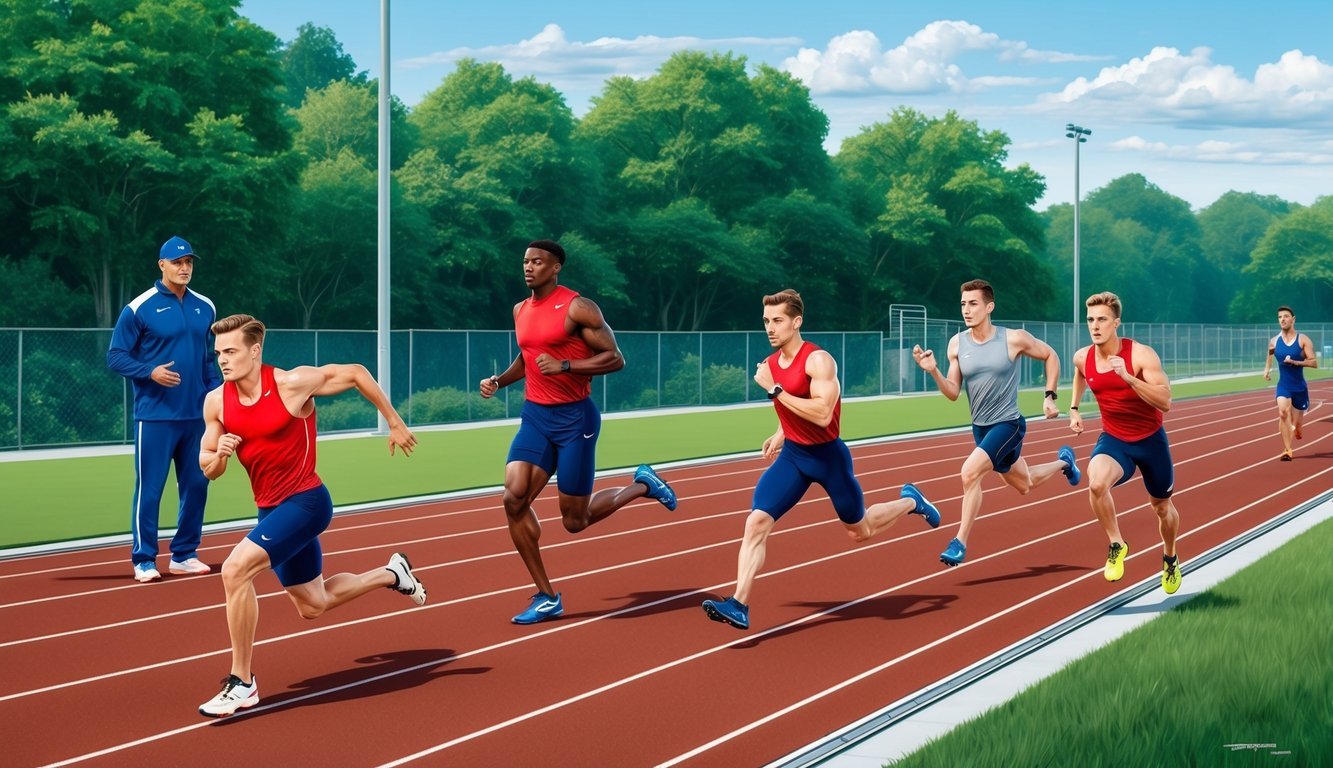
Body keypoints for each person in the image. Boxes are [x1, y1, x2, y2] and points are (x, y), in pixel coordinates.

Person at [196, 314, 427, 717]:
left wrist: (393, 421)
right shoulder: (217, 401)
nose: (223, 360)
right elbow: (207, 468)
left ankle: (242, 682)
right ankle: (392, 574)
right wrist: (221, 455)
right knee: (313, 604)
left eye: (231, 351)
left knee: (234, 570)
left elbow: (355, 373)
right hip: (270, 510)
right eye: (218, 353)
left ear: (255, 350)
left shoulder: (291, 383)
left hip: (306, 501)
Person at [701, 289, 941, 631]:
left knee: (861, 532)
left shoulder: (819, 360)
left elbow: (823, 413)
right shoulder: (771, 365)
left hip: (828, 458)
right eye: (766, 321)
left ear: (797, 322)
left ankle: (910, 501)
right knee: (755, 522)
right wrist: (781, 432)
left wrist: (775, 392)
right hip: (794, 457)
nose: (770, 328)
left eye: (778, 321)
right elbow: (794, 406)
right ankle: (739, 604)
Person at [480, 239, 677, 625]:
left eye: (538, 262)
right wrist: (500, 381)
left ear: (555, 268)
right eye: (525, 261)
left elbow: (615, 359)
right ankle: (546, 595)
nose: (529, 267)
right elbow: (528, 354)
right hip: (535, 418)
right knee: (513, 498)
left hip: (575, 421)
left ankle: (643, 485)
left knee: (575, 521)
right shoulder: (520, 309)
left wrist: (567, 366)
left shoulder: (578, 307)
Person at [911, 279, 1080, 567]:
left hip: (1009, 424)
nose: (967, 309)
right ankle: (1065, 463)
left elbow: (1050, 355)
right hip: (981, 428)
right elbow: (953, 391)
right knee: (1025, 484)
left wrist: (1049, 396)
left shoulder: (1012, 338)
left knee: (970, 472)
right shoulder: (957, 344)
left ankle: (959, 541)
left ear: (989, 306)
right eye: (963, 304)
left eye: (973, 303)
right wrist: (934, 371)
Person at [107, 236, 220, 582]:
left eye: (189, 262)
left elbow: (208, 361)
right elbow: (115, 356)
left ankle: (184, 553)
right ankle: (144, 559)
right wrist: (149, 372)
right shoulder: (139, 307)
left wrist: (220, 401)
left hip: (197, 417)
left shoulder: (206, 307)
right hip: (155, 417)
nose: (184, 268)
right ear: (162, 265)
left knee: (197, 486)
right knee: (150, 488)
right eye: (177, 262)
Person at [1069, 291, 1182, 594]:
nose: (1095, 325)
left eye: (1102, 320)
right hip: (1115, 439)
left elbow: (1166, 402)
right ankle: (1117, 543)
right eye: (1090, 319)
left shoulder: (1141, 355)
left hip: (1150, 442)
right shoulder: (1083, 356)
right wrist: (1075, 408)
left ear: (1116, 322)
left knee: (1161, 507)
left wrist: (1129, 378)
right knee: (1096, 484)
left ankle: (1170, 557)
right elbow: (1081, 374)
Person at [1263, 305, 1318, 461]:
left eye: (1286, 316)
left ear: (1293, 319)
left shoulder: (1303, 340)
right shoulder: (1274, 341)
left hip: (1299, 387)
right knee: (1283, 412)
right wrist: (1267, 369)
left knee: (1297, 426)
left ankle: (1298, 428)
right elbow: (1270, 355)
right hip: (1284, 385)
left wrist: (1295, 362)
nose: (1282, 319)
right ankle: (1288, 450)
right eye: (1280, 317)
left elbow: (1314, 363)